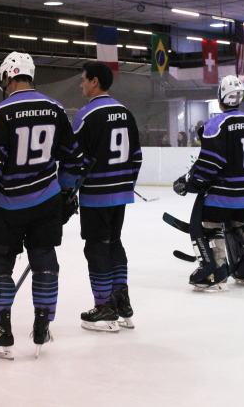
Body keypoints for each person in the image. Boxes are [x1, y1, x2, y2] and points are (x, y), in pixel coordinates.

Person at [0, 51, 83, 360]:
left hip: (9, 206)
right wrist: (65, 193)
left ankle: (1, 332)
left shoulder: (2, 111)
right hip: (46, 202)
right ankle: (42, 325)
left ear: (8, 75)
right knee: (45, 263)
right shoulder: (55, 108)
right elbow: (73, 159)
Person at [173, 76, 244, 291]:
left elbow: (210, 163)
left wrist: (193, 182)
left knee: (210, 227)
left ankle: (215, 274)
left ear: (220, 99)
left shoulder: (215, 123)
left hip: (223, 191)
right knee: (243, 226)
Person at [72, 61, 142, 332]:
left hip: (96, 195)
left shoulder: (87, 114)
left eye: (83, 79)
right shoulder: (126, 112)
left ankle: (104, 308)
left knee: (96, 246)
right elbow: (136, 156)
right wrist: (126, 184)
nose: (81, 84)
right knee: (113, 242)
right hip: (120, 194)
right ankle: (120, 300)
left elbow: (76, 159)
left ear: (95, 82)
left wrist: (68, 191)